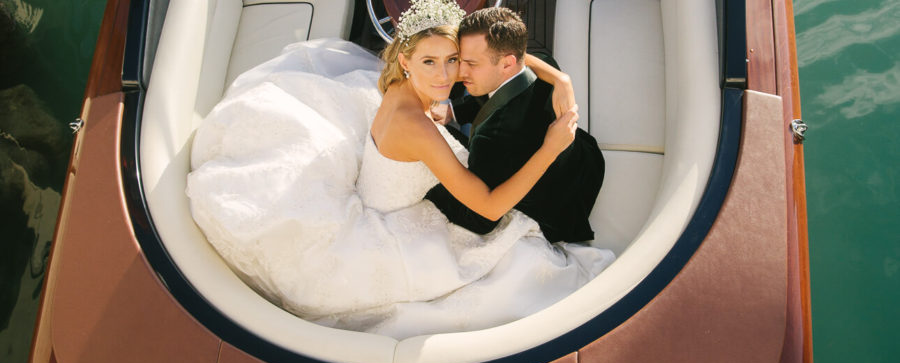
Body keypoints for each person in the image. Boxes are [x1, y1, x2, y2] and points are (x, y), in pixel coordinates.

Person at [187, 0, 614, 339]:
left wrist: (561, 79)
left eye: (454, 60)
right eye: (431, 62)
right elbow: (487, 209)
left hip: (389, 181)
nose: (448, 76)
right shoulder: (417, 130)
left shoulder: (397, 83)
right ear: (407, 60)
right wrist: (551, 147)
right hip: (396, 224)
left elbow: (502, 58)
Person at [425, 7, 606, 243]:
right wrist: (454, 111)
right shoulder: (544, 67)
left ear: (507, 63)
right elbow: (511, 79)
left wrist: (429, 187)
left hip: (553, 208)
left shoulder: (492, 138)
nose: (460, 71)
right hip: (587, 160)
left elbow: (481, 220)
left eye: (471, 63)